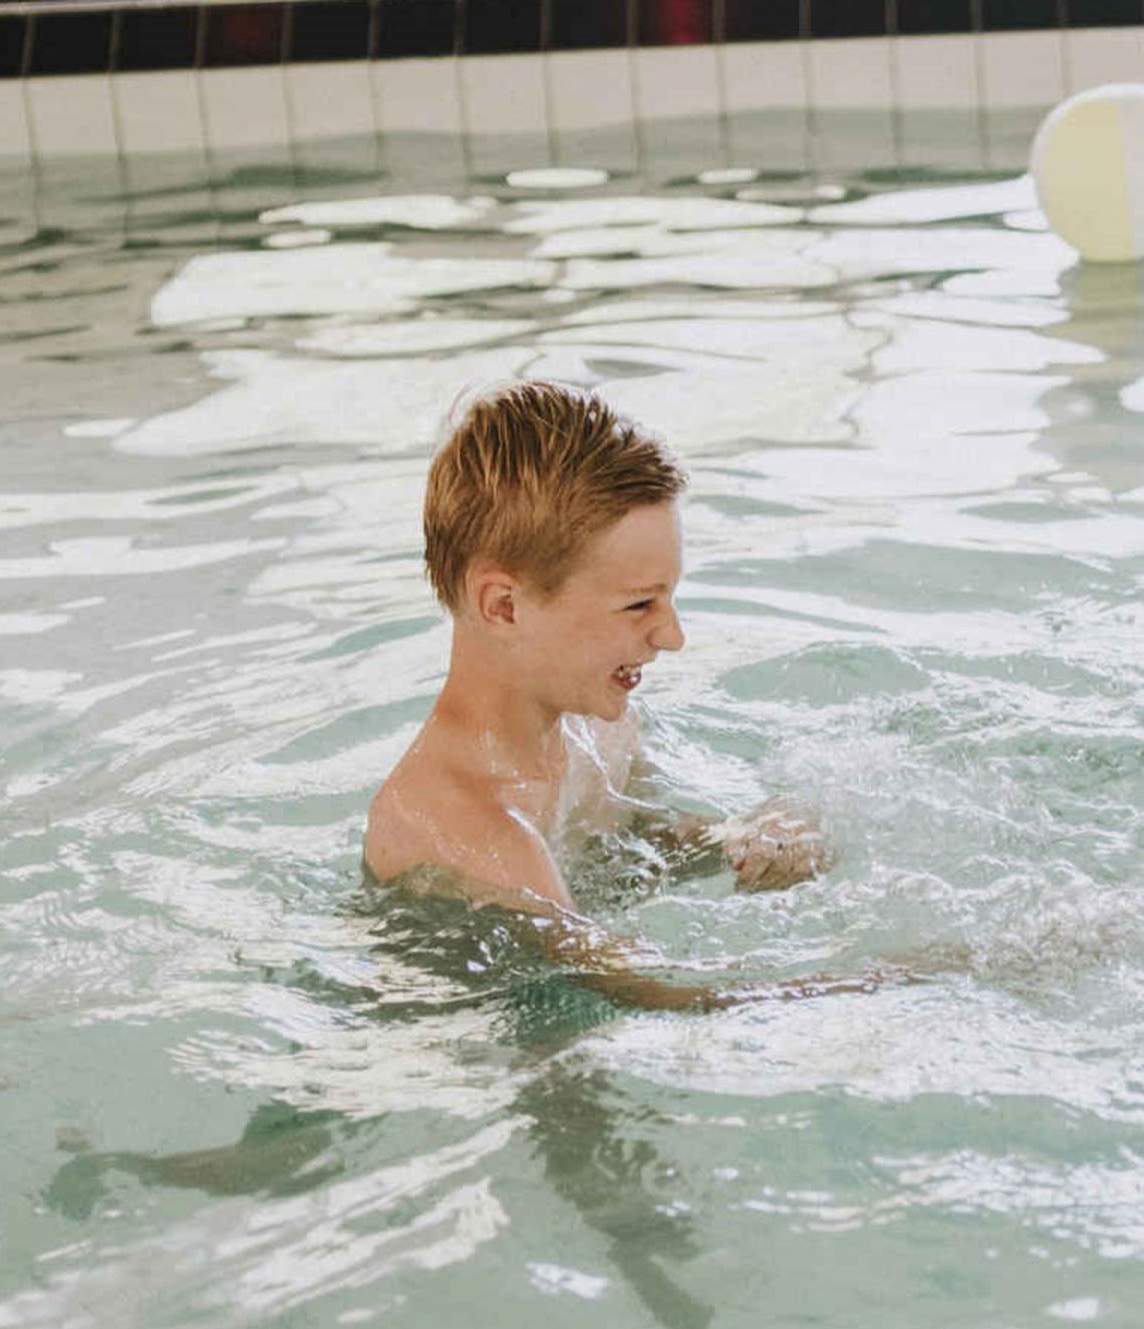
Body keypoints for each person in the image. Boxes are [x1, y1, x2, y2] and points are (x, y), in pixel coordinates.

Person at [363, 378, 920, 1011]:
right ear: (505, 607)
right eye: (638, 604)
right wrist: (905, 975)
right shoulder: (466, 826)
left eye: (669, 597)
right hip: (458, 1030)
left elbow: (632, 850)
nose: (672, 635)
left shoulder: (598, 729)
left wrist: (738, 838)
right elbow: (661, 992)